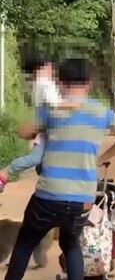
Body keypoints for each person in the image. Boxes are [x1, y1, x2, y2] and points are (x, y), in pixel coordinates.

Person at [0, 58, 115, 280]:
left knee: (25, 242)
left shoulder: (52, 109)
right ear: (88, 84)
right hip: (81, 197)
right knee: (71, 243)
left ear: (60, 83)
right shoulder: (100, 112)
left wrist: (45, 119)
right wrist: (99, 158)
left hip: (47, 194)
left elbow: (24, 131)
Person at [0, 55, 80, 193]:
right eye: (49, 66)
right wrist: (76, 105)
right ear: (41, 68)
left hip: (48, 127)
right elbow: (56, 104)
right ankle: (4, 173)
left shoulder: (39, 83)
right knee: (37, 158)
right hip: (49, 128)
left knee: (46, 160)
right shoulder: (45, 83)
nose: (52, 69)